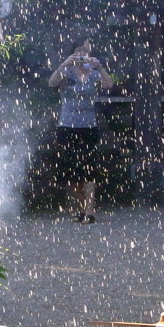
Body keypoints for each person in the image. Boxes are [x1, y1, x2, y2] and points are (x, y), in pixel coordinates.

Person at [48, 37, 113, 223]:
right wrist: (63, 64)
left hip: (88, 125)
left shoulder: (93, 72)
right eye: (79, 52)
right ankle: (79, 208)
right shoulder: (67, 71)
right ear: (72, 53)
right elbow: (52, 83)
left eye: (86, 52)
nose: (82, 55)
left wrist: (99, 67)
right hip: (67, 125)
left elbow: (109, 84)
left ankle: (90, 210)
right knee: (71, 169)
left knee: (89, 169)